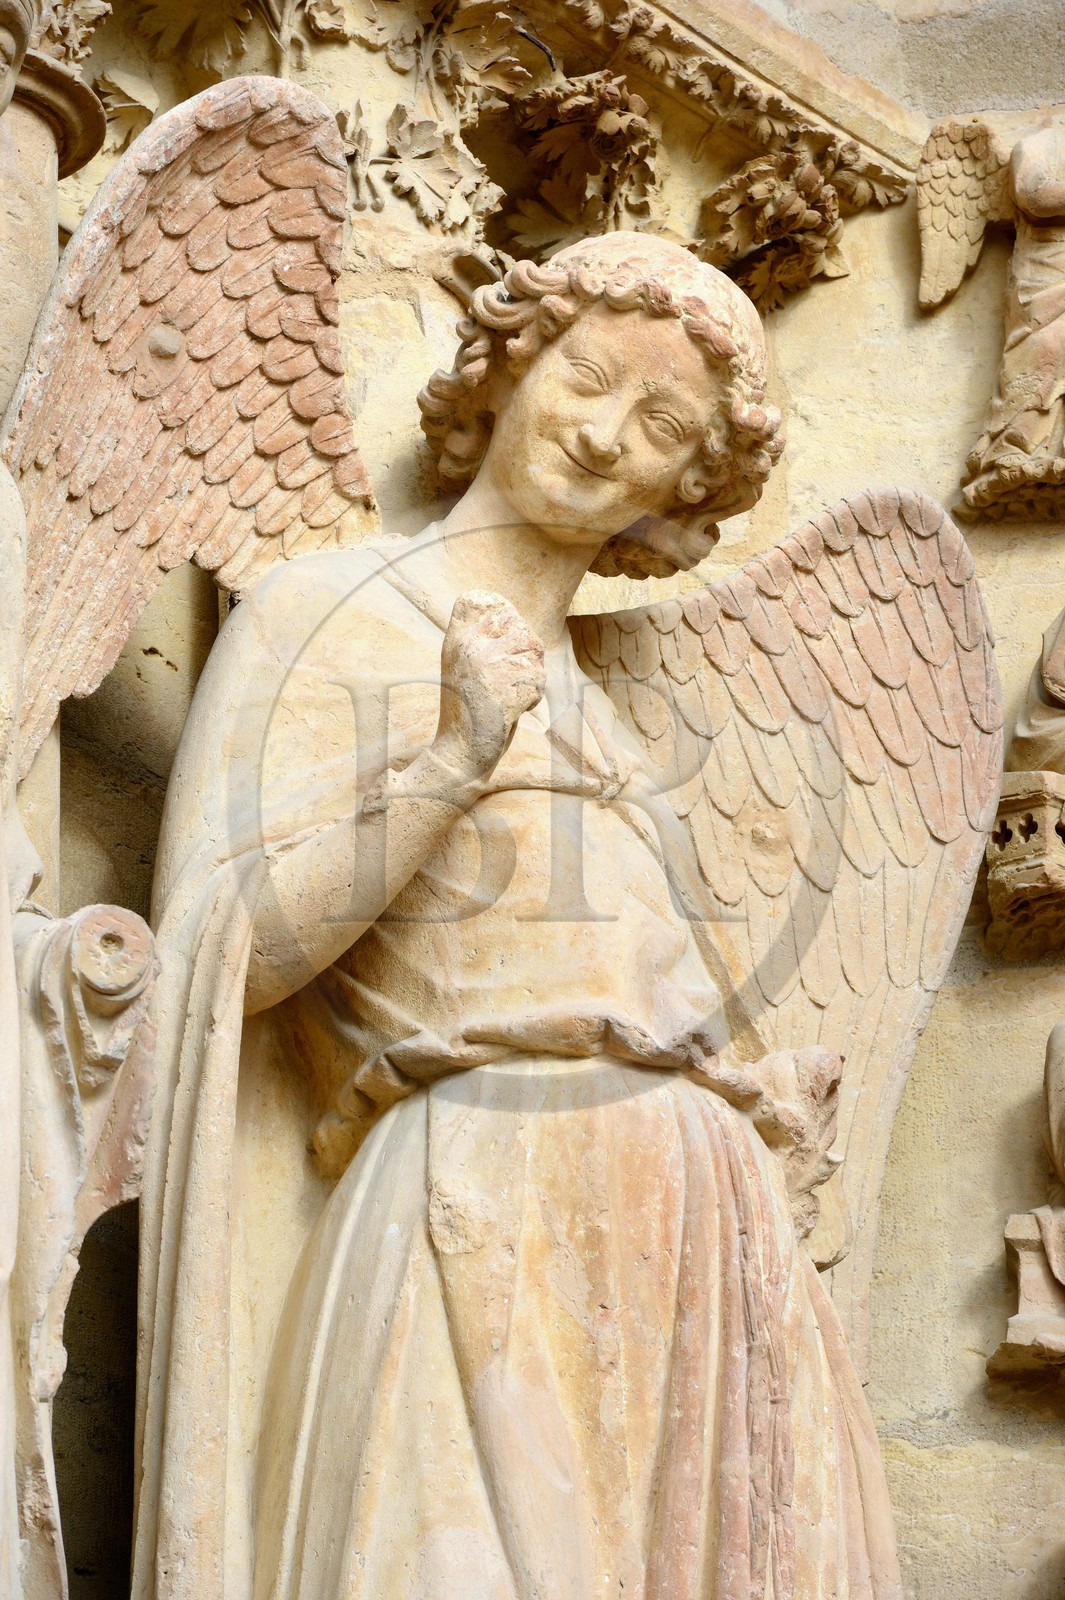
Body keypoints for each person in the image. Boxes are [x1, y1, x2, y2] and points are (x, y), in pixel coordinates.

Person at [134, 234, 901, 1600]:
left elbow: (611, 977)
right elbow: (224, 948)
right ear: (505, 367)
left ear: (688, 488)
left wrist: (750, 1097)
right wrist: (444, 763)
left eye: (662, 425)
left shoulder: (614, 727)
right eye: (589, 377)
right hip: (465, 1191)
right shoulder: (334, 613)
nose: (607, 437)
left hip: (684, 1246)